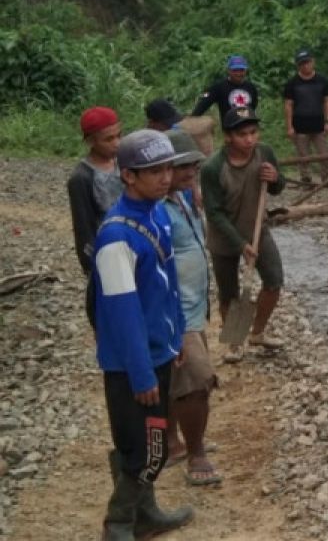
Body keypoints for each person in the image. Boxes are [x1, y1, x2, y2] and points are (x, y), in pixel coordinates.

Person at [91, 129, 193, 539]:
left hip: (158, 351)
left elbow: (167, 286)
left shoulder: (157, 215)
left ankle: (145, 513)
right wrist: (141, 371)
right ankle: (118, 524)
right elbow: (122, 311)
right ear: (128, 175)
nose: (165, 177)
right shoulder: (116, 236)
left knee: (153, 440)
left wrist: (178, 336)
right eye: (153, 171)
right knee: (140, 444)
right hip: (133, 362)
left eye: (168, 168)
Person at [200, 107, 286, 360]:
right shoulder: (213, 167)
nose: (249, 139)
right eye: (242, 134)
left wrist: (275, 178)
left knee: (274, 281)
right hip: (224, 239)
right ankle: (234, 341)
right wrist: (240, 244)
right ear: (228, 137)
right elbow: (213, 212)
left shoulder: (264, 153)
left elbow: (277, 188)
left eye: (253, 132)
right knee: (230, 293)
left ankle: (257, 332)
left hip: (258, 229)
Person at [162, 130, 221, 486]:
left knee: (175, 379)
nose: (190, 171)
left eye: (193, 164)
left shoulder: (183, 198)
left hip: (194, 305)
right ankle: (196, 452)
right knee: (196, 380)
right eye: (182, 166)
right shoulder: (155, 209)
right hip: (175, 310)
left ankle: (174, 442)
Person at [68, 106, 123, 275]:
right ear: (91, 141)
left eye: (119, 136)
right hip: (108, 250)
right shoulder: (81, 178)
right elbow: (83, 228)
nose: (117, 143)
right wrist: (92, 266)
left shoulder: (124, 163)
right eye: (109, 139)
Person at [282, 49, 328, 183]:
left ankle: (326, 177)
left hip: (319, 125)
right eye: (302, 63)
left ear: (313, 62)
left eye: (307, 62)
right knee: (303, 156)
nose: (305, 66)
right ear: (298, 65)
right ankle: (305, 179)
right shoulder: (292, 83)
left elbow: (327, 101)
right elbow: (288, 105)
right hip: (299, 126)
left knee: (325, 154)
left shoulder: (322, 80)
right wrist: (289, 127)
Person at [190, 54, 259, 117]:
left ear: (245, 71)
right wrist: (192, 119)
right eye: (235, 70)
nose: (238, 73)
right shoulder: (219, 87)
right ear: (229, 70)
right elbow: (203, 105)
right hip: (230, 127)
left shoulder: (251, 87)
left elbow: (253, 107)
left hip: (248, 125)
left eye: (241, 70)